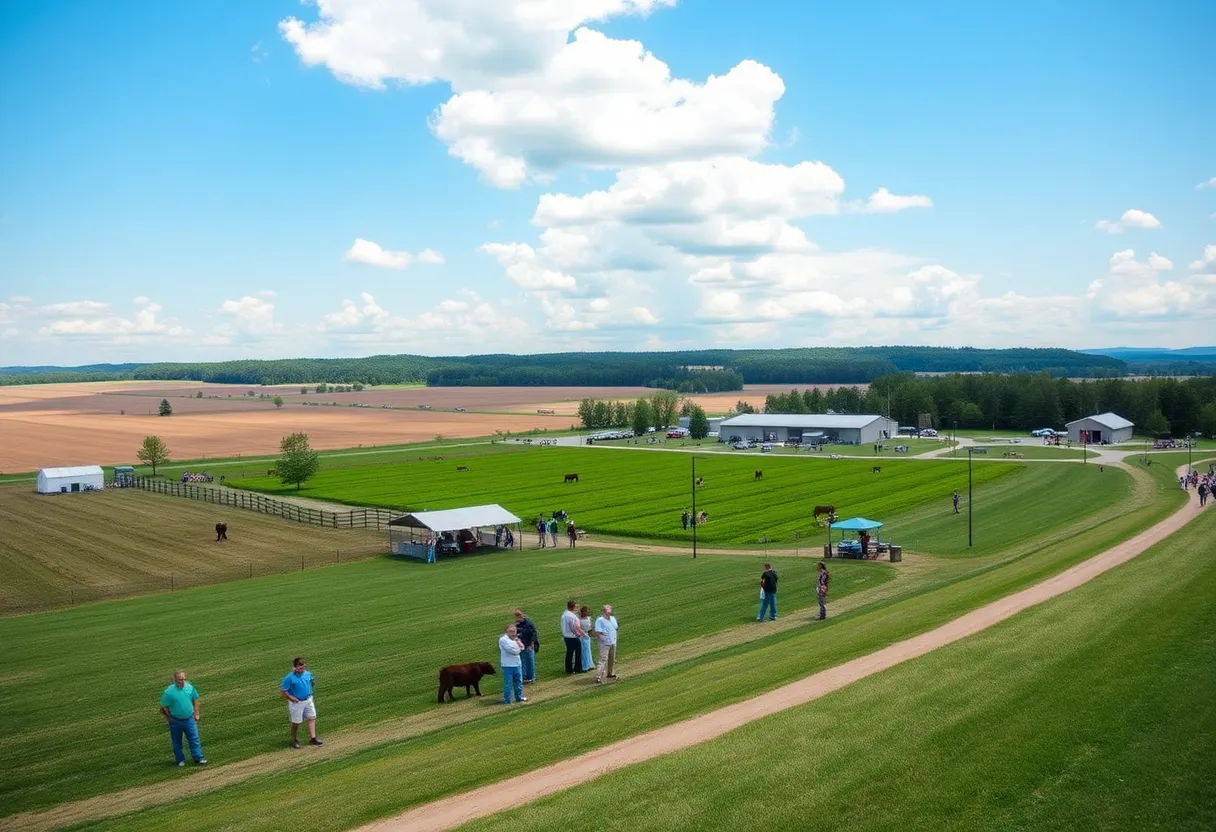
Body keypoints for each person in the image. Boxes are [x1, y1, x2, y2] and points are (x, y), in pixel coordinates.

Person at [160, 670, 207, 767]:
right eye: (179, 680)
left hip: (189, 719)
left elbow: (195, 698)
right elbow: (163, 707)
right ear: (174, 680)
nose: (181, 682)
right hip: (176, 720)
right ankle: (180, 760)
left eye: (183, 679)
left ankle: (198, 758)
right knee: (177, 742)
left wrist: (196, 713)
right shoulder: (169, 692)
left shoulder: (189, 687)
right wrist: (168, 719)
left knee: (194, 739)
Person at [280, 657, 323, 749]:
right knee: (296, 723)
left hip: (308, 700)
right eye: (300, 667)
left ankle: (313, 738)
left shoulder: (308, 674)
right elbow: (283, 690)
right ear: (295, 667)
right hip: (297, 702)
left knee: (312, 718)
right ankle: (294, 740)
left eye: (303, 667)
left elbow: (312, 682)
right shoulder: (289, 678)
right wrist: (290, 697)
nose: (302, 669)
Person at [498, 623, 527, 704]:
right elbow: (512, 650)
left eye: (514, 631)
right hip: (507, 665)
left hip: (517, 663)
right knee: (508, 683)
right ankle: (507, 700)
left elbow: (523, 647)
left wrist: (519, 648)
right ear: (507, 631)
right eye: (511, 631)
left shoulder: (516, 639)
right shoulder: (503, 640)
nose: (513, 633)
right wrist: (519, 649)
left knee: (518, 681)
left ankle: (519, 697)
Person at [594, 604, 619, 683]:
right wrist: (602, 640)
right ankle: (599, 676)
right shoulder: (600, 620)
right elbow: (598, 632)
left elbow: (615, 627)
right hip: (604, 643)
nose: (608, 613)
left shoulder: (613, 619)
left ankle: (610, 673)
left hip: (612, 641)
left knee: (612, 658)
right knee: (603, 659)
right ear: (603, 611)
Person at [513, 609, 539, 683]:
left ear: (523, 615)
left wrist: (532, 643)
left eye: (519, 615)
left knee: (530, 662)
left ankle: (532, 677)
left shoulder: (528, 624)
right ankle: (524, 678)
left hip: (528, 646)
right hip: (521, 647)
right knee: (522, 662)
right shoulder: (516, 625)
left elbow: (534, 634)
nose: (518, 617)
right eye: (517, 616)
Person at [560, 599, 585, 674]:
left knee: (569, 652)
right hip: (572, 636)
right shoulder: (571, 616)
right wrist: (578, 634)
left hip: (566, 636)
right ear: (573, 607)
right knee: (578, 651)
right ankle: (578, 668)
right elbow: (573, 627)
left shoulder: (564, 614)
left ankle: (569, 669)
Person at [578, 604, 595, 672]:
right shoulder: (579, 620)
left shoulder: (589, 618)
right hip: (582, 637)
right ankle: (584, 666)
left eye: (587, 612)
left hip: (587, 637)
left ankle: (590, 664)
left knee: (588, 651)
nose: (586, 613)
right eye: (585, 612)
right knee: (583, 651)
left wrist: (590, 634)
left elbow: (591, 628)